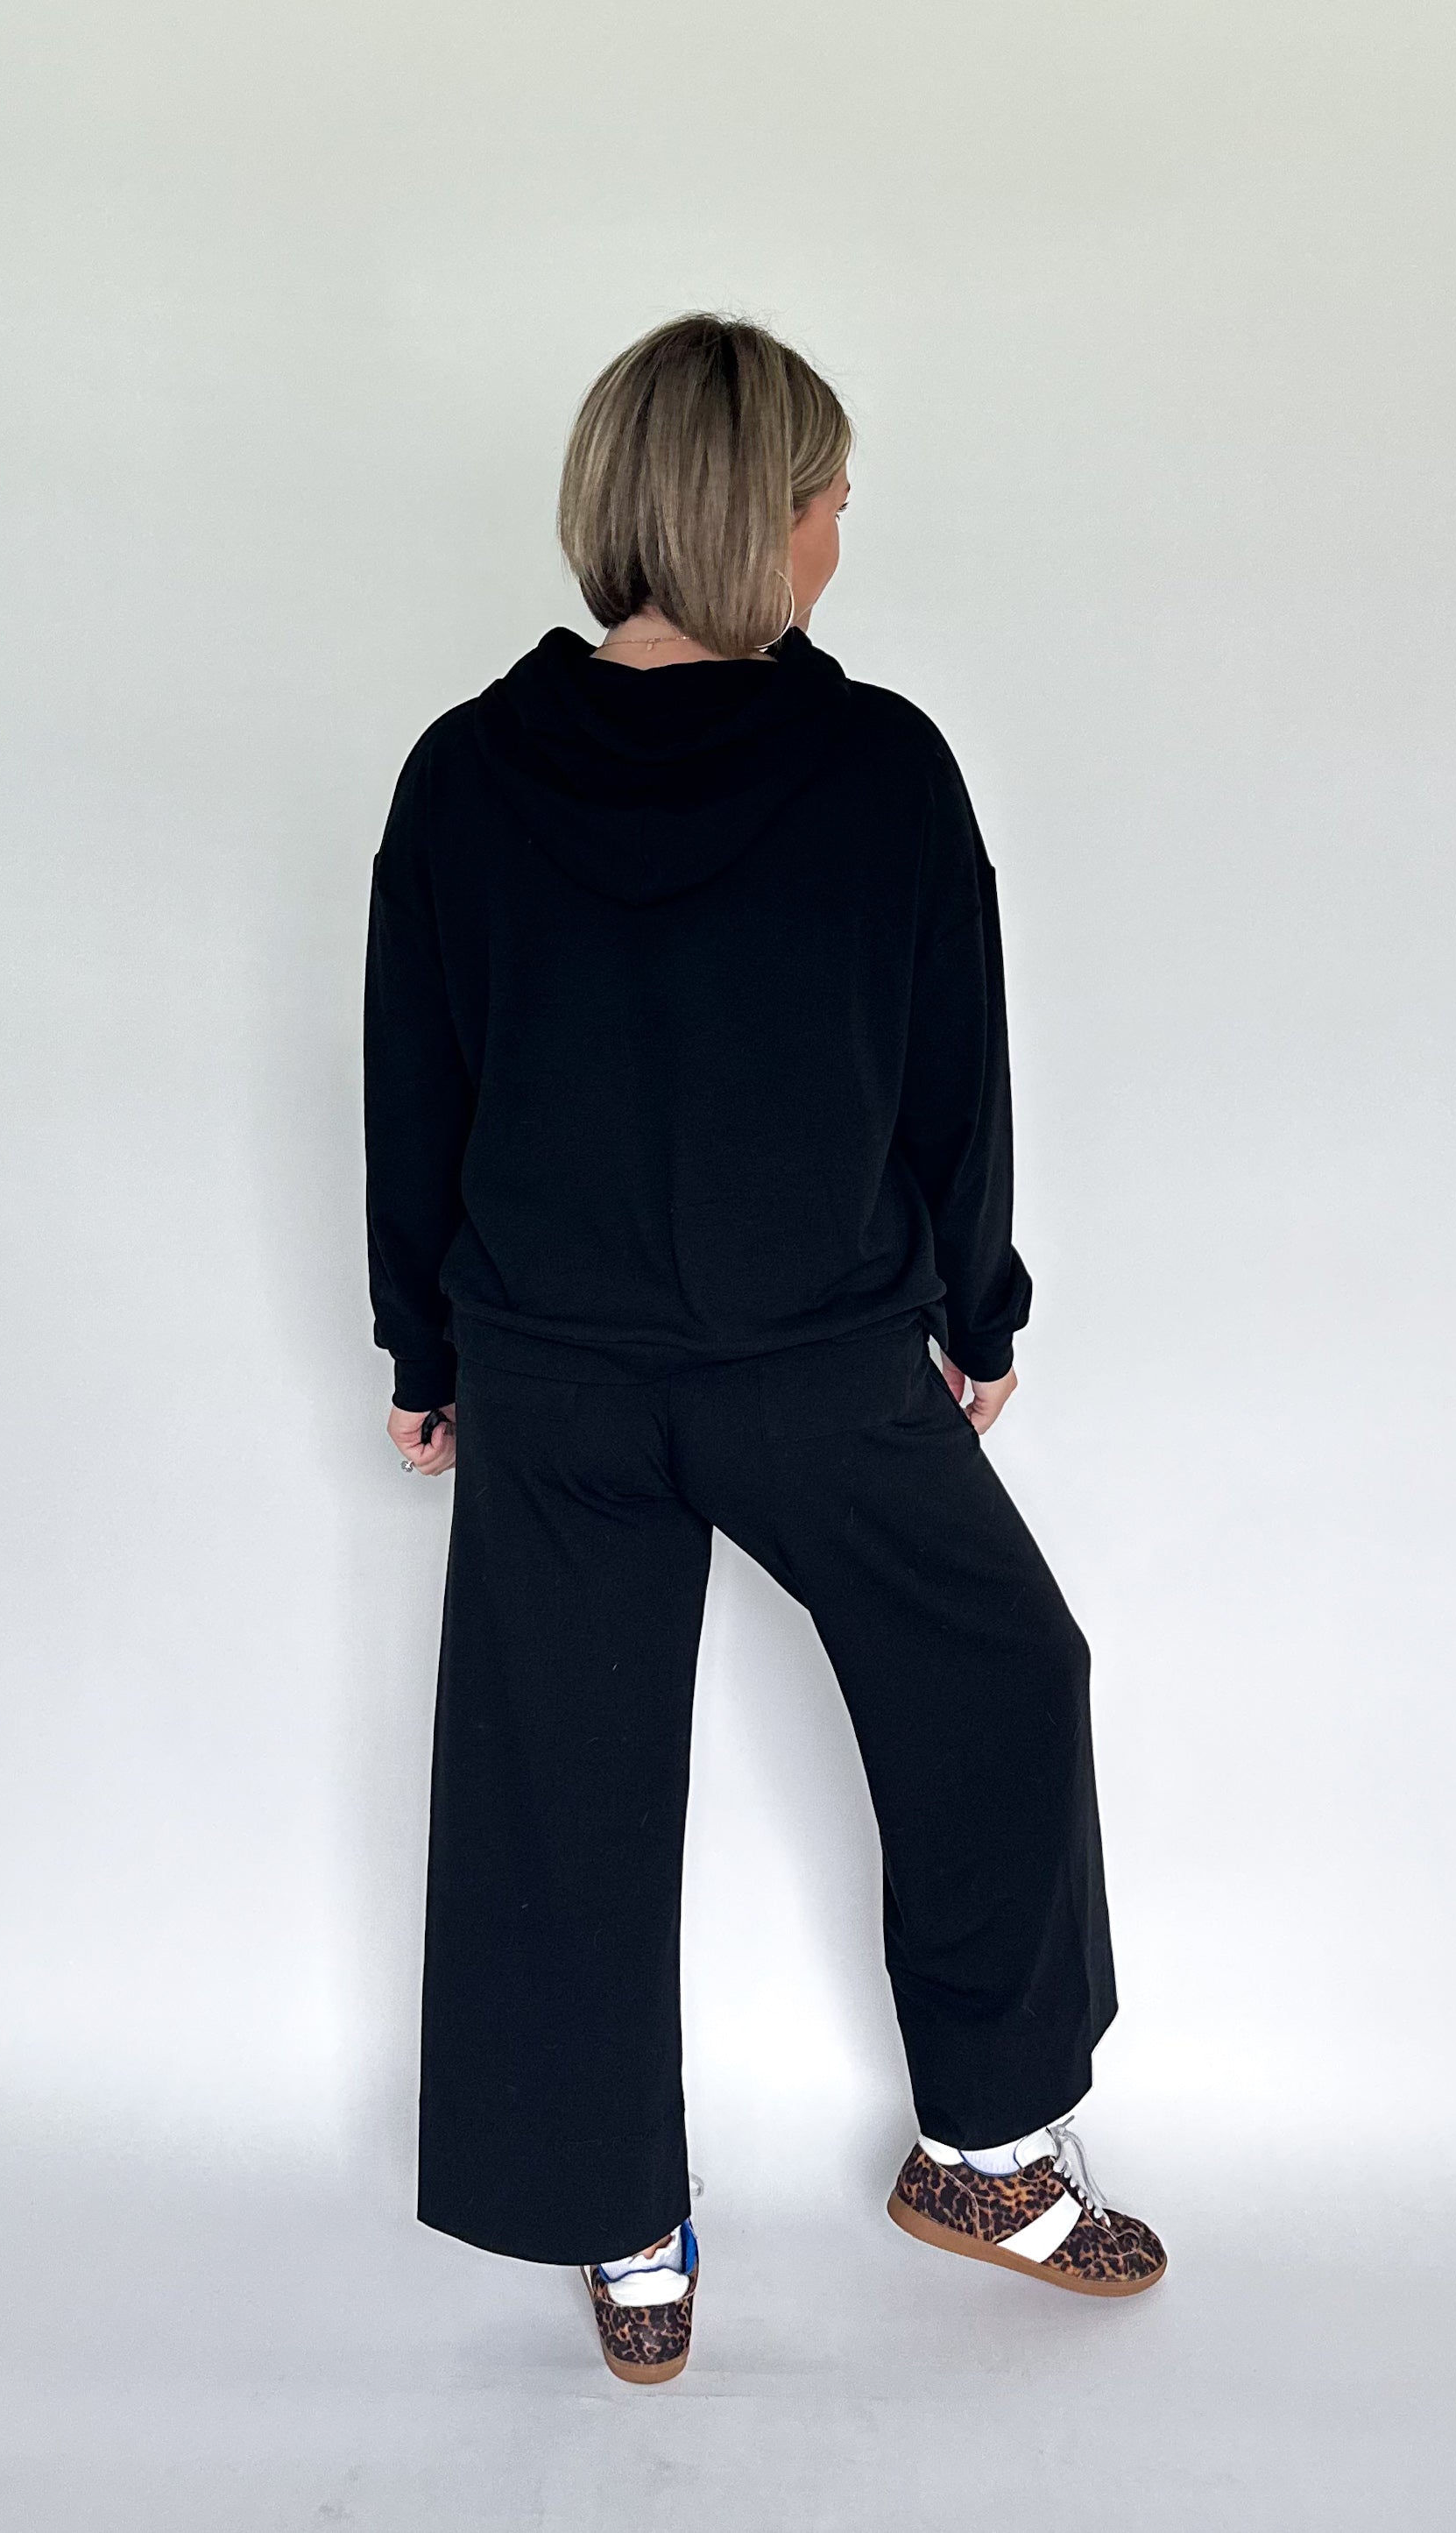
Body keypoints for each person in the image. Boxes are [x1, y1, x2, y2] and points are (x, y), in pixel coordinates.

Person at [363, 311, 1165, 2386]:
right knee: (995, 1677)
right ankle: (980, 2152)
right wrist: (976, 1307)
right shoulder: (878, 764)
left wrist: (420, 1352)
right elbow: (954, 1079)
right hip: (809, 1367)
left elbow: (415, 1092)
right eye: (826, 502)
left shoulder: (464, 773)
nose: (837, 536)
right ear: (755, 517)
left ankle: (629, 2230)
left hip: (557, 1372)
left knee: (564, 1784)